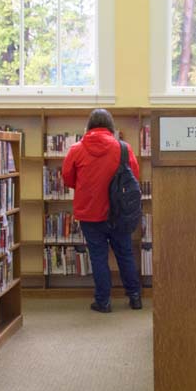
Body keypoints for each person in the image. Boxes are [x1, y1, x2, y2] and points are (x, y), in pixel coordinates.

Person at [62, 109, 142, 313]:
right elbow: (134, 176)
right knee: (125, 254)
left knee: (98, 256)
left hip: (90, 213)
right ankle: (135, 297)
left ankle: (103, 301)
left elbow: (67, 179)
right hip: (119, 213)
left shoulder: (76, 149)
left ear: (88, 126)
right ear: (111, 127)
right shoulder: (124, 148)